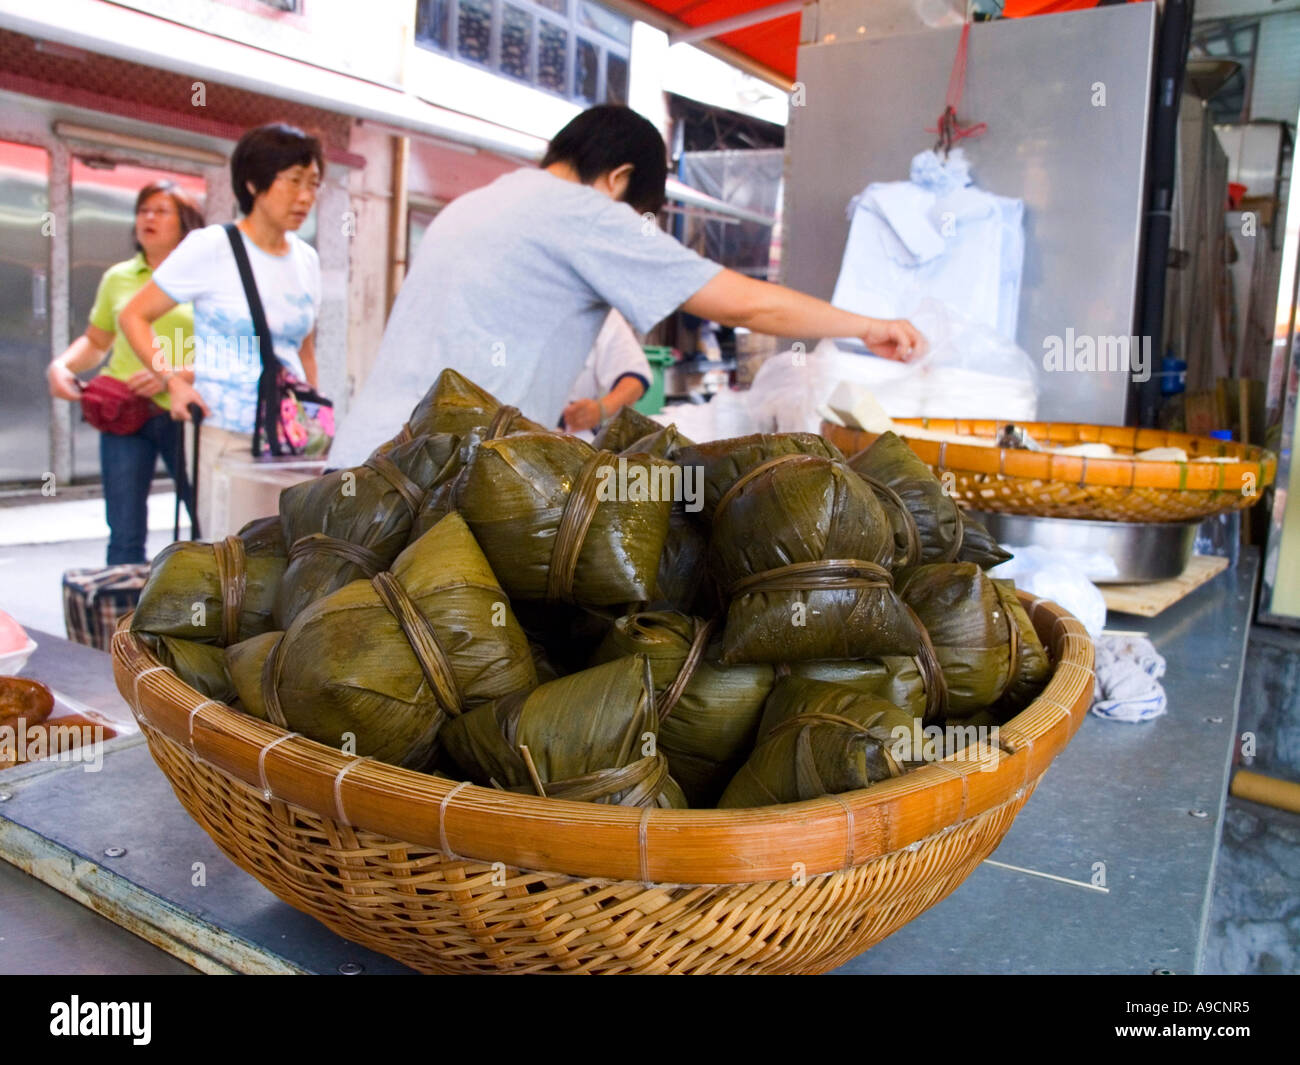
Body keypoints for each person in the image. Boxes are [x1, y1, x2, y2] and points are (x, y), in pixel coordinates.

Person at [330, 105, 924, 466]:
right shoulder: (582, 212)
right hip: (430, 484)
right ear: (618, 180)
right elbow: (748, 304)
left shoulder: (478, 204)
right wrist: (869, 326)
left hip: (360, 465)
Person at [118, 123, 323, 539]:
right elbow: (134, 316)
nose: (306, 196)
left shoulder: (307, 259)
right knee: (233, 561)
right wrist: (172, 381)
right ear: (253, 183)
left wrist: (315, 419)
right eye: (294, 182)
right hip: (226, 436)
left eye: (314, 183)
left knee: (288, 558)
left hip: (291, 439)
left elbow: (303, 350)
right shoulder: (212, 247)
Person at [47, 180, 204, 564]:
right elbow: (97, 342)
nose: (148, 218)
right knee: (124, 534)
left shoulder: (204, 277)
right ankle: (121, 621)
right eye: (143, 210)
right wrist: (61, 365)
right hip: (123, 415)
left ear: (186, 223)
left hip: (183, 416)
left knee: (208, 527)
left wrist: (176, 374)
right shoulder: (118, 277)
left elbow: (237, 349)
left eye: (161, 210)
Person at [561, 310, 650, 438]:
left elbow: (636, 378)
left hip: (571, 437)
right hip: (522, 430)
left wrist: (601, 409)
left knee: (622, 457)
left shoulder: (601, 314)